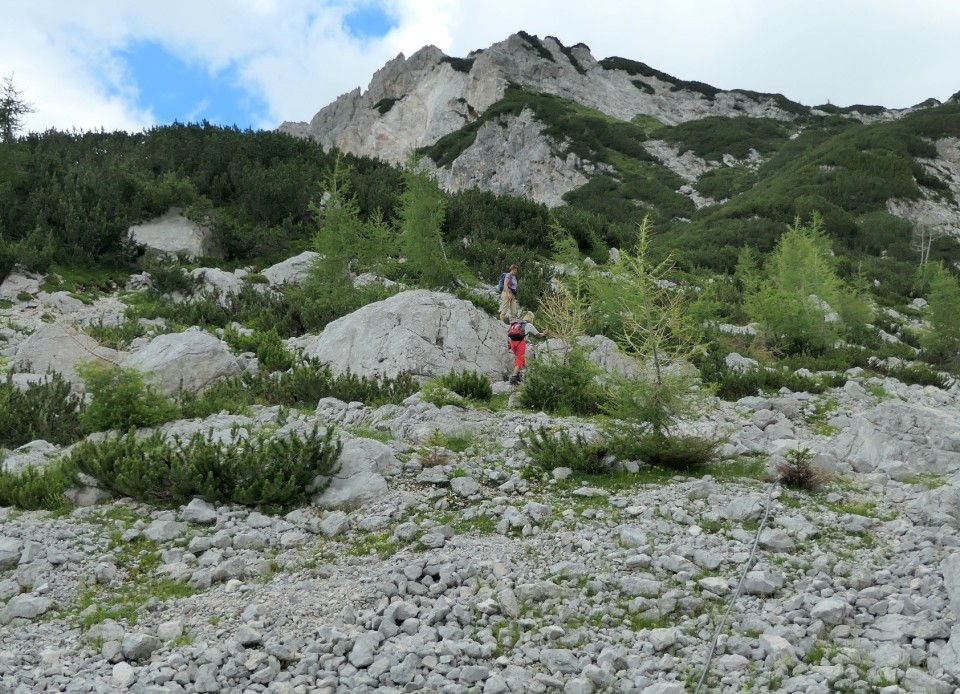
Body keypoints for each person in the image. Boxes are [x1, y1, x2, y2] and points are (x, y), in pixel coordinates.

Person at [508, 311, 548, 385]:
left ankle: (518, 375)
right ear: (531, 319)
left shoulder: (516, 323)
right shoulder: (529, 325)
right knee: (520, 359)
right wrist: (544, 334)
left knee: (520, 359)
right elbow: (538, 335)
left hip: (512, 342)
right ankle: (513, 377)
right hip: (521, 343)